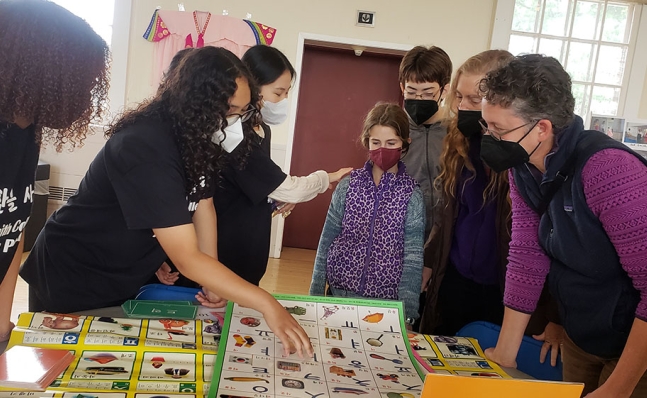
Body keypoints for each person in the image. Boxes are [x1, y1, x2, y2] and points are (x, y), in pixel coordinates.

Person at [20, 47, 313, 357]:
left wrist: (211, 278)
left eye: (241, 112)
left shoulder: (196, 139)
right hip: (76, 273)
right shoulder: (145, 144)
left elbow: (204, 205)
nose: (234, 122)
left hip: (124, 271)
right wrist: (267, 304)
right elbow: (186, 257)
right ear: (199, 102)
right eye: (229, 111)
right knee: (65, 365)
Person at [479, 54, 647, 397]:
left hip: (634, 345)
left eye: (499, 129)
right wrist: (505, 351)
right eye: (486, 126)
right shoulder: (522, 166)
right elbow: (527, 253)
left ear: (542, 127)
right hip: (581, 335)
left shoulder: (610, 170)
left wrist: (618, 388)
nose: (489, 137)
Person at [154, 45, 351, 288]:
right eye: (278, 93)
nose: (283, 101)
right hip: (223, 243)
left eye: (287, 93)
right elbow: (284, 187)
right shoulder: (232, 135)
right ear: (252, 86)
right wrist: (328, 177)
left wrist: (276, 194)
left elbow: (258, 183)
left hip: (249, 241)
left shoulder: (261, 130)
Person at [419, 49, 564, 367]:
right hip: (456, 279)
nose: (462, 107)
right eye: (459, 96)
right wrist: (429, 261)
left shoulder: (520, 153)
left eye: (474, 99)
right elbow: (448, 213)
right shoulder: (459, 143)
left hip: (505, 289)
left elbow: (548, 247)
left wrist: (557, 317)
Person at [0, 0, 110, 344]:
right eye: (83, 81)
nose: (88, 97)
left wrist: (3, 330)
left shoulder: (25, 134)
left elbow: (11, 233)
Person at [309, 103, 425, 326]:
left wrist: (408, 314)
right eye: (376, 142)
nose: (383, 149)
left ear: (405, 143)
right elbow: (327, 241)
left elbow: (413, 258)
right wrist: (315, 294)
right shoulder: (348, 187)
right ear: (367, 142)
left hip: (385, 306)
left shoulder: (412, 195)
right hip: (340, 296)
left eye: (391, 143)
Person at [399, 45, 453, 237]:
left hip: (445, 235)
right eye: (411, 92)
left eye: (428, 93)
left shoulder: (456, 133)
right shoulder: (395, 131)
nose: (419, 98)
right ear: (402, 87)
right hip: (403, 234)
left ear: (444, 90)